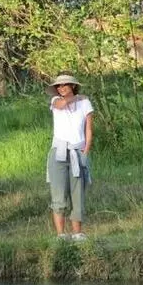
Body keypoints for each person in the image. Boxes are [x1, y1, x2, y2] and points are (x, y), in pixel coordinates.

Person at [46, 71, 93, 241]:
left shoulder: (85, 103)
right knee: (59, 194)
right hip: (58, 152)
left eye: (65, 84)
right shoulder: (56, 100)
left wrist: (86, 150)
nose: (61, 88)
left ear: (72, 85)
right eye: (58, 85)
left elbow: (88, 128)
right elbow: (60, 105)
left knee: (77, 193)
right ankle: (61, 234)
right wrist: (77, 97)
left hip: (77, 151)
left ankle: (77, 233)